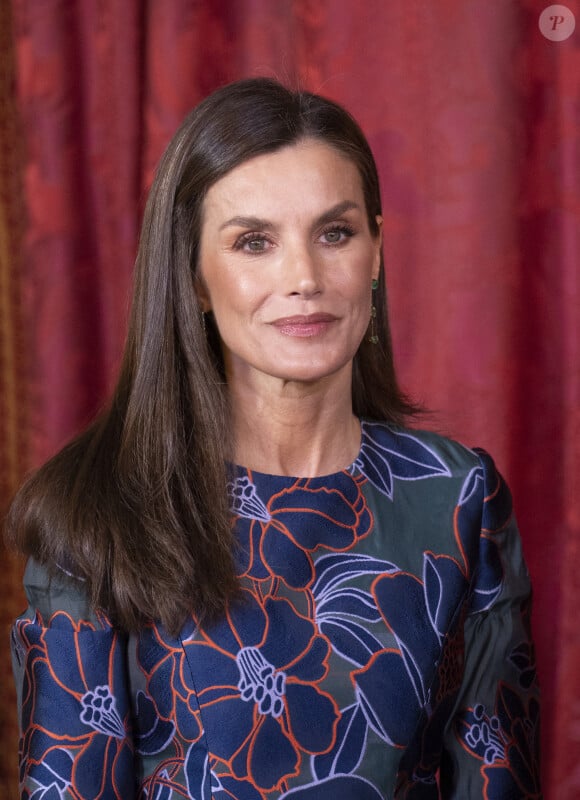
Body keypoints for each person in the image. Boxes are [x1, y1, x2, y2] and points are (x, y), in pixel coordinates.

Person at [7, 77, 541, 799]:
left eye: (335, 233)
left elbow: (497, 779)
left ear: (376, 252)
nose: (304, 277)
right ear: (194, 275)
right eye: (254, 242)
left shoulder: (459, 501)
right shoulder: (94, 511)